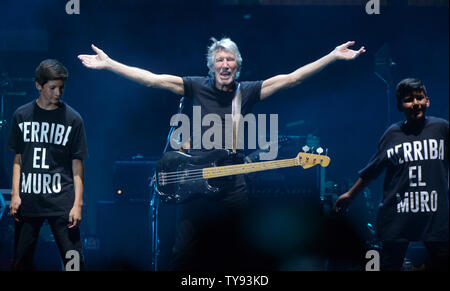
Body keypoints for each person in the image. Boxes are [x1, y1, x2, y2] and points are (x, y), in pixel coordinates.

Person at [78, 38, 365, 270]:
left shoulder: (247, 91)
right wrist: (110, 64)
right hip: (194, 180)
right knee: (185, 249)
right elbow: (152, 80)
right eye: (220, 60)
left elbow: (292, 79)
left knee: (239, 244)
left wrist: (332, 56)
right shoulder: (195, 86)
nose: (225, 64)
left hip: (232, 182)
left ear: (238, 65)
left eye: (230, 60)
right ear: (212, 66)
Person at [333, 78, 449, 271]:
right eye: (409, 99)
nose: (415, 103)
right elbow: (372, 170)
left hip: (435, 218)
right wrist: (350, 195)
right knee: (389, 266)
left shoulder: (442, 128)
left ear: (427, 101)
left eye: (419, 98)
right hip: (398, 217)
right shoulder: (392, 134)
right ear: (400, 106)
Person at [8, 59, 88, 271]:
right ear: (38, 85)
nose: (58, 93)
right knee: (21, 261)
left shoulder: (73, 119)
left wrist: (77, 204)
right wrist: (15, 195)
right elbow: (18, 158)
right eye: (52, 88)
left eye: (61, 88)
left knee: (74, 262)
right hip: (29, 200)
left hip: (62, 201)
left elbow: (77, 164)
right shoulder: (21, 115)